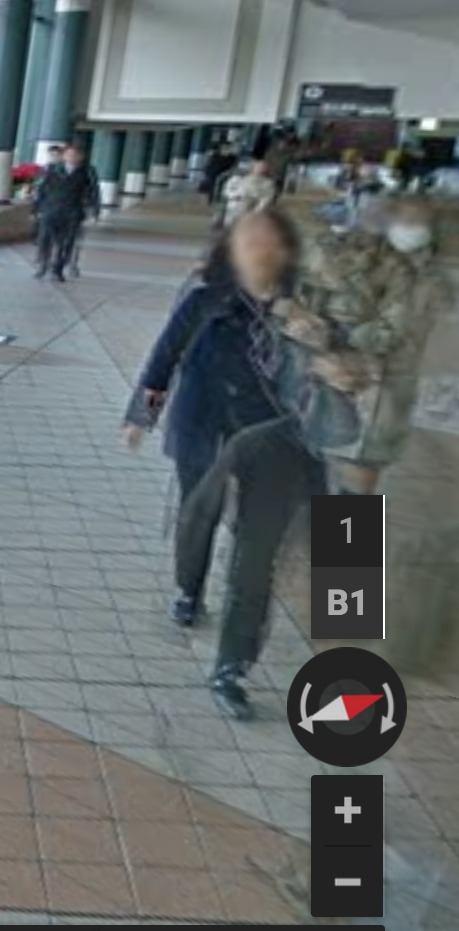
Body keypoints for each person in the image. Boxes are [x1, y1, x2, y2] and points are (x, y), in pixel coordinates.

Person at [131, 209, 323, 719]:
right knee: (199, 517)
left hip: (270, 442)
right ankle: (188, 589)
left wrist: (312, 338)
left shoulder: (305, 309)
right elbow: (163, 359)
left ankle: (231, 670)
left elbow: (336, 378)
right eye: (249, 241)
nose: (260, 250)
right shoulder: (204, 299)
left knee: (255, 557)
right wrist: (140, 419)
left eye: (270, 241)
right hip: (204, 427)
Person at [296, 196, 453, 493]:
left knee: (359, 472)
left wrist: (339, 337)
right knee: (324, 467)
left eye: (417, 222)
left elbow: (397, 330)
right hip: (336, 381)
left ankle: (347, 525)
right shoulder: (353, 258)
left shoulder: (423, 276)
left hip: (381, 388)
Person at [32, 142, 101, 280]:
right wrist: (36, 209)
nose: (72, 157)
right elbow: (41, 190)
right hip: (50, 210)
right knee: (45, 239)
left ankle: (58, 268)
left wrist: (94, 210)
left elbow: (94, 191)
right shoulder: (52, 169)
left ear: (81, 157)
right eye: (69, 154)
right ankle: (43, 265)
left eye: (75, 155)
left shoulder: (87, 171)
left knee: (67, 242)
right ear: (64, 156)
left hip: (73, 212)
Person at [219, 156, 278, 229]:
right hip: (234, 204)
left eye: (262, 168)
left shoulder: (268, 184)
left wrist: (256, 211)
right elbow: (227, 191)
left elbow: (266, 199)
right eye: (257, 167)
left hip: (251, 207)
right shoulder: (239, 178)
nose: (260, 169)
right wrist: (234, 196)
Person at [200, 138, 239, 209]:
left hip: (223, 174)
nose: (225, 150)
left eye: (227, 148)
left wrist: (226, 173)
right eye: (224, 148)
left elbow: (233, 168)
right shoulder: (215, 156)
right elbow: (209, 166)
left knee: (216, 181)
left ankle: (214, 198)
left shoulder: (232, 158)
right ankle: (209, 199)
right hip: (212, 173)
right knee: (210, 181)